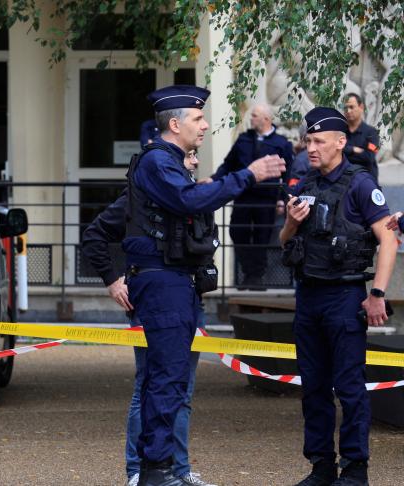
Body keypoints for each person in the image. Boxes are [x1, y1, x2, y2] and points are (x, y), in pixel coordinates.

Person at [124, 85, 285, 486]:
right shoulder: (158, 162)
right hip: (162, 282)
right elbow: (189, 200)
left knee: (173, 378)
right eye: (198, 119)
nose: (206, 124)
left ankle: (160, 470)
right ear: (174, 124)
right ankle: (155, 472)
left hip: (177, 281)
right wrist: (248, 175)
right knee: (165, 378)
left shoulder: (172, 161)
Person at [82, 151, 216, 486]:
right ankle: (139, 469)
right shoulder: (139, 199)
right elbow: (94, 236)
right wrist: (114, 281)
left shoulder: (186, 197)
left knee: (180, 389)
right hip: (154, 302)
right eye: (189, 155)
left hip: (188, 300)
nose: (195, 162)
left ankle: (177, 470)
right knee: (149, 385)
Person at [280, 107, 395, 486]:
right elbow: (284, 242)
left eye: (318, 141)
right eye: (307, 141)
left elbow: (389, 238)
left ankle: (355, 469)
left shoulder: (360, 183)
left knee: (348, 387)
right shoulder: (305, 184)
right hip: (309, 296)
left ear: (340, 142)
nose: (310, 148)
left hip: (345, 296)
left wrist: (377, 293)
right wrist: (291, 224)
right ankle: (321, 467)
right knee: (313, 388)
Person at [209, 103, 293, 289]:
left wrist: (282, 198)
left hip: (267, 198)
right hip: (244, 195)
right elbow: (228, 165)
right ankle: (247, 273)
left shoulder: (281, 143)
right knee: (237, 232)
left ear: (266, 119)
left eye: (255, 115)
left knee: (262, 236)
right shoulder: (243, 139)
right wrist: (213, 179)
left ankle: (257, 277)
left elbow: (288, 174)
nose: (251, 118)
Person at [341, 93, 380, 180]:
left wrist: (345, 149)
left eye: (351, 107)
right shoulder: (340, 132)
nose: (348, 111)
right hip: (343, 181)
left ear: (361, 107)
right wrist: (354, 149)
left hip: (366, 180)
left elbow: (369, 157)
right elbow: (335, 153)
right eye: (345, 108)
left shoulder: (372, 133)